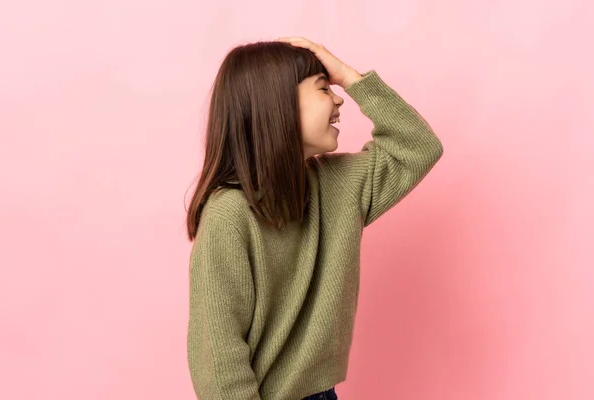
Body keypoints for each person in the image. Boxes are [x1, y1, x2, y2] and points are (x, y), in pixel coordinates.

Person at [185, 37, 444, 400]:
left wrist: (350, 77)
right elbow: (219, 354)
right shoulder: (229, 214)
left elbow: (418, 147)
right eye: (324, 88)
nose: (339, 99)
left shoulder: (337, 185)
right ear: (278, 106)